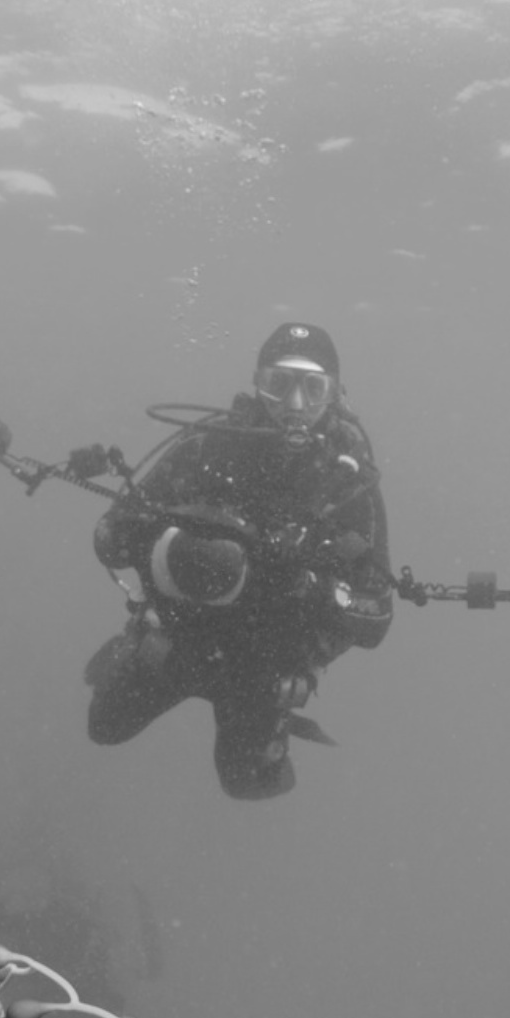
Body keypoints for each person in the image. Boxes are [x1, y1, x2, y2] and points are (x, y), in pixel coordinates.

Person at [82, 323, 394, 799]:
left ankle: (270, 741)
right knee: (103, 727)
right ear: (256, 382)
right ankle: (131, 648)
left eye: (313, 388)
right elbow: (109, 538)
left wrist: (304, 583)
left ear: (334, 394)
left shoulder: (349, 484)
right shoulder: (210, 446)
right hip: (177, 638)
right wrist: (171, 544)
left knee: (249, 786)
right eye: (278, 383)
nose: (294, 404)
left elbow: (377, 618)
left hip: (263, 669)